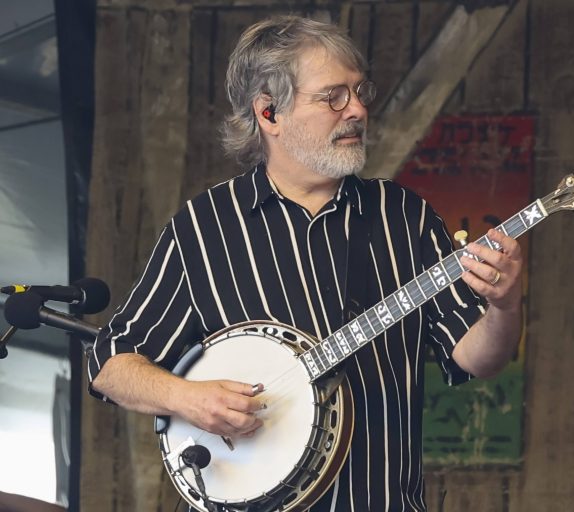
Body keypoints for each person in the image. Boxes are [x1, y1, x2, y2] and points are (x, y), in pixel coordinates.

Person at [88, 15, 523, 511]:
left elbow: (475, 357)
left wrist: (505, 306)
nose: (357, 109)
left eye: (360, 91)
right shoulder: (205, 227)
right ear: (269, 113)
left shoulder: (403, 216)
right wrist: (189, 399)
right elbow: (111, 363)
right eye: (333, 96)